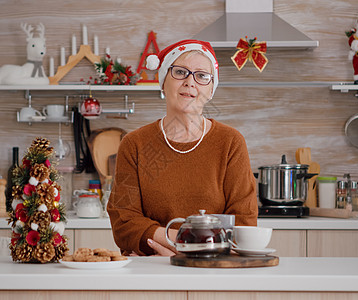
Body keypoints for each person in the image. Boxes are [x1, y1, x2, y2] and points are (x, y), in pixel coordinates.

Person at [107, 39, 258, 256]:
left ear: (211, 89)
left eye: (202, 76)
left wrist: (182, 248)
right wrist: (182, 242)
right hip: (152, 269)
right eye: (180, 72)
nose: (190, 82)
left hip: (214, 269)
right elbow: (124, 221)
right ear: (163, 81)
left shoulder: (230, 142)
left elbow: (244, 220)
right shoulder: (134, 144)